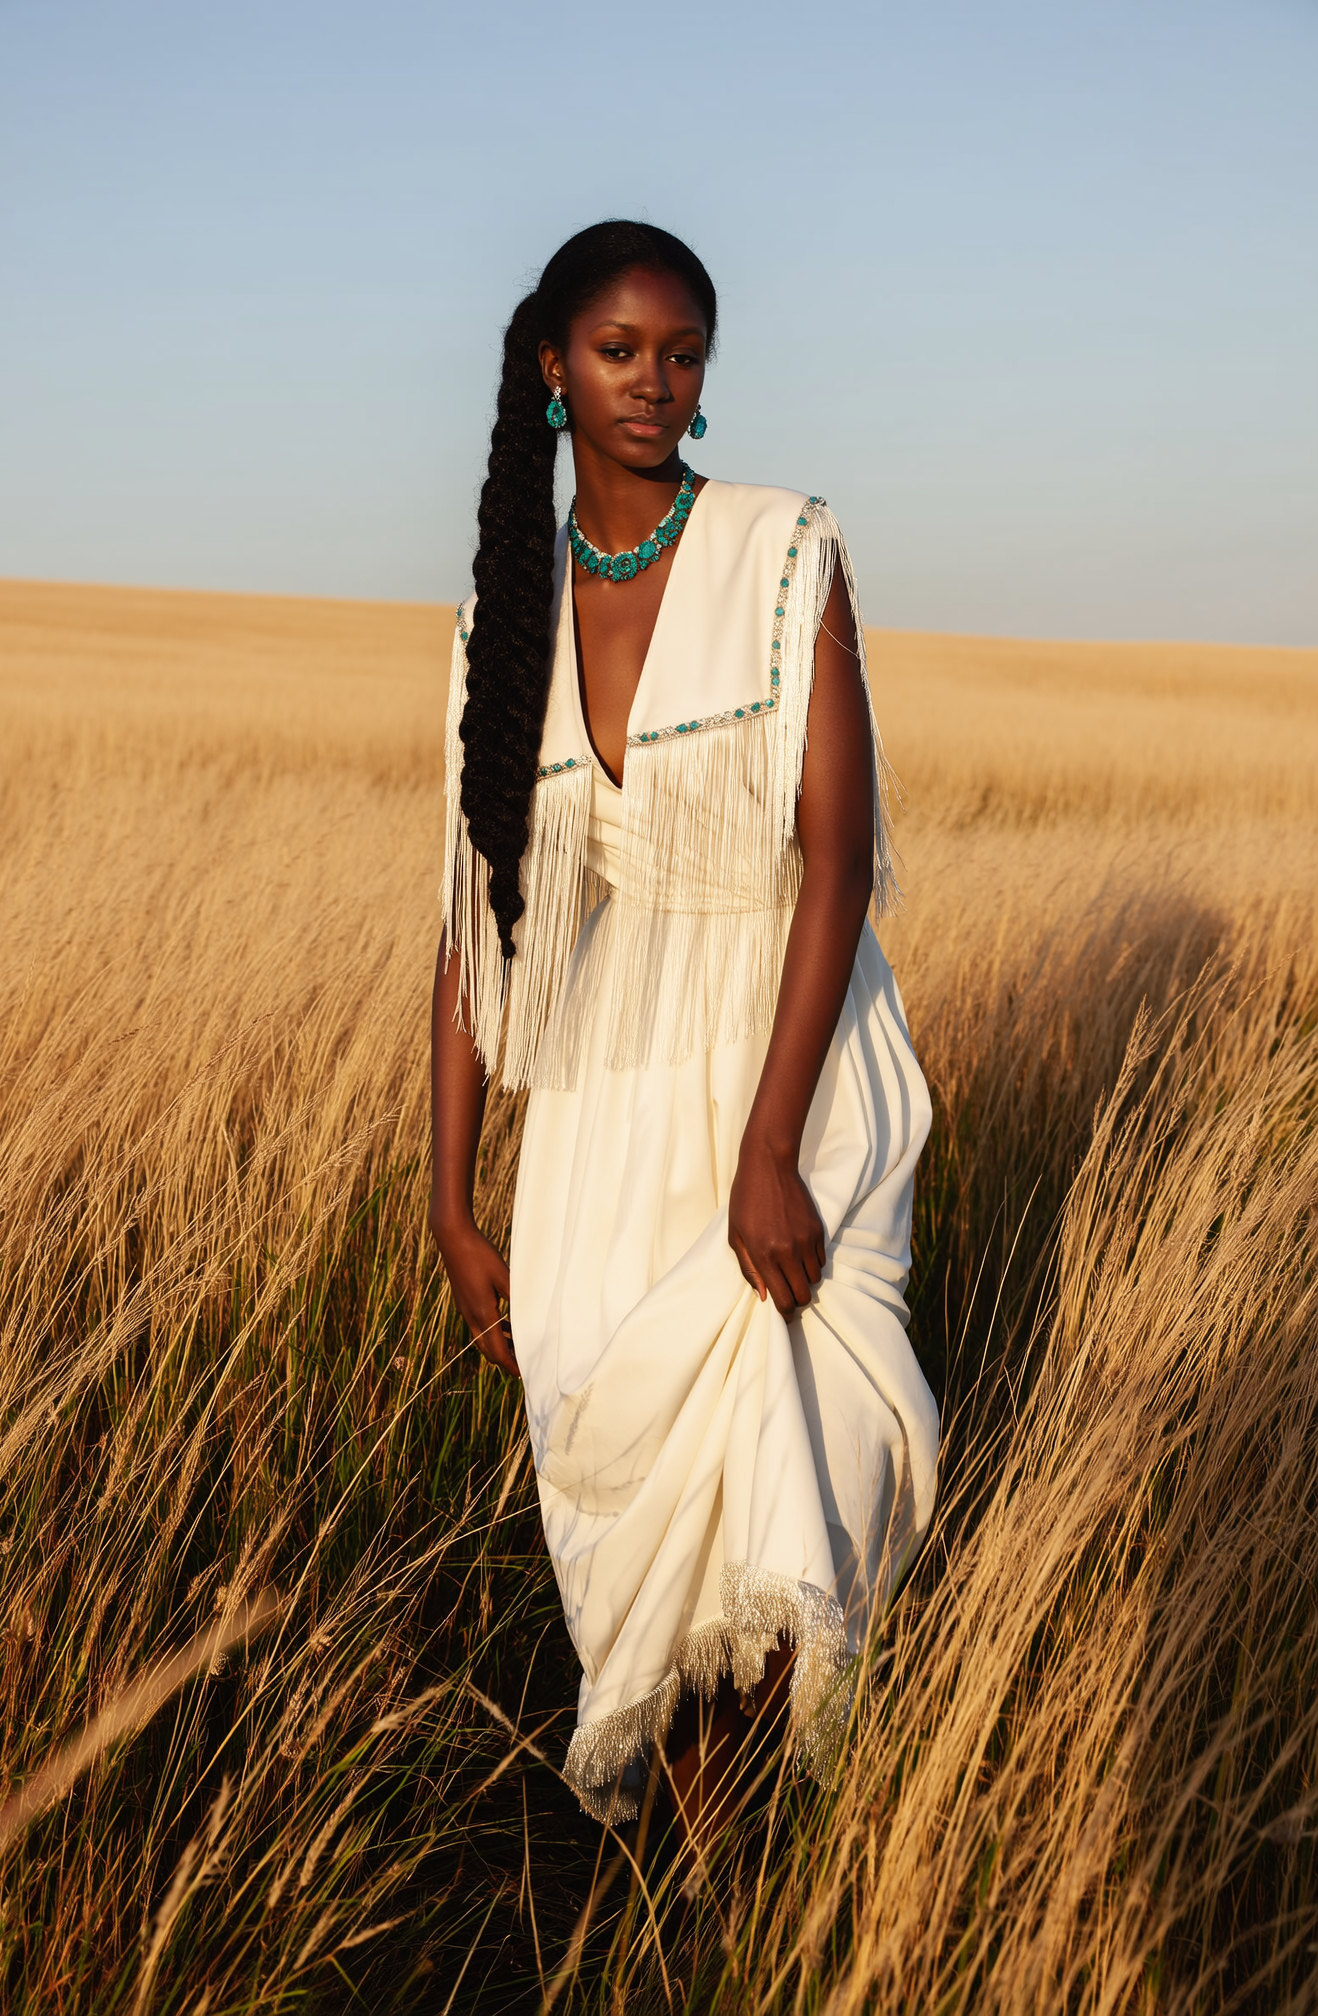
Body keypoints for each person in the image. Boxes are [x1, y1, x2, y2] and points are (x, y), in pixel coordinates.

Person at [429, 221, 937, 1839]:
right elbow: (473, 919)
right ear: (551, 369)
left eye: (684, 352)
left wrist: (770, 1147)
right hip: (605, 1099)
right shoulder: (499, 618)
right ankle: (692, 1891)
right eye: (619, 351)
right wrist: (450, 1194)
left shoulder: (785, 550)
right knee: (629, 1493)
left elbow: (840, 857)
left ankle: (756, 1877)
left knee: (780, 1494)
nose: (656, 382)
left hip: (782, 1057)